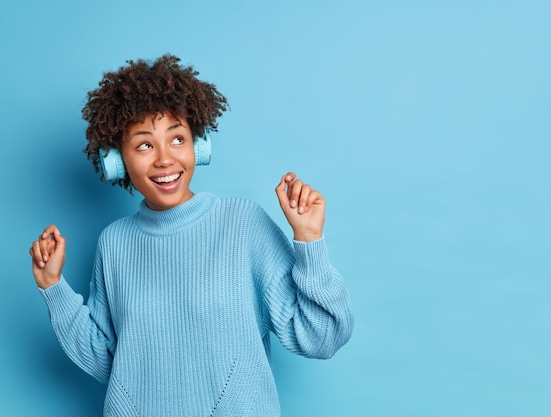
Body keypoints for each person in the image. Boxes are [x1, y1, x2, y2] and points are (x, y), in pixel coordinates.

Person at [29, 54, 354, 417]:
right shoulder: (114, 243)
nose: (165, 159)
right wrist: (53, 287)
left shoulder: (243, 224)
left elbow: (322, 337)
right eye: (144, 145)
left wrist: (309, 240)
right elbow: (110, 361)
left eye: (177, 139)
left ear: (198, 146)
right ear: (116, 161)